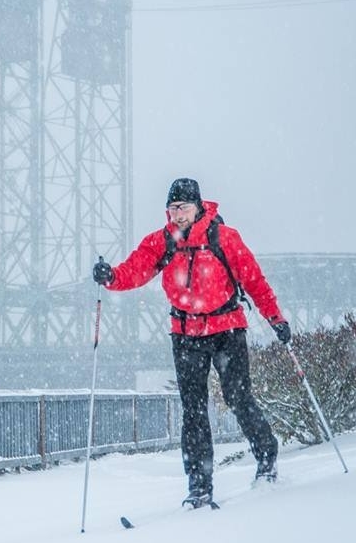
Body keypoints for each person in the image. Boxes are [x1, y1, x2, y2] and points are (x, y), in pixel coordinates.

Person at [92, 177, 291, 509]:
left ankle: (266, 458)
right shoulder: (161, 242)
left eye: (183, 207)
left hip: (227, 328)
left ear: (199, 206)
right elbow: (134, 271)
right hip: (186, 334)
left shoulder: (225, 238)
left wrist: (276, 319)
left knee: (238, 397)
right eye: (172, 209)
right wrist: (110, 276)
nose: (178, 215)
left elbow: (254, 281)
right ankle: (199, 486)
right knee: (194, 411)